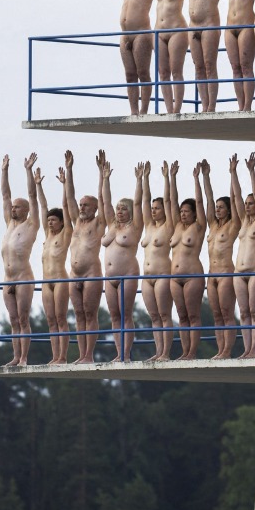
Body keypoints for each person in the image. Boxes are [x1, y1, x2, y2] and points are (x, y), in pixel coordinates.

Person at [63, 150, 109, 363]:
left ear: (94, 209)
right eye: (81, 205)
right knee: (78, 315)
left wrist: (102, 174)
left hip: (91, 272)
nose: (81, 208)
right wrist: (69, 170)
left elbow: (102, 198)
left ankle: (89, 355)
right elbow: (69, 198)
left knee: (90, 314)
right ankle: (81, 354)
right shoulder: (76, 222)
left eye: (86, 205)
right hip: (74, 274)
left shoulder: (98, 222)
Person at [0, 153, 40, 367]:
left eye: (17, 207)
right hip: (8, 278)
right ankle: (15, 356)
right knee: (13, 320)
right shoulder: (9, 224)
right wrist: (4, 170)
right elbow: (5, 195)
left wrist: (28, 171)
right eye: (13, 207)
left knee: (23, 319)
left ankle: (24, 357)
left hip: (23, 276)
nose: (13, 209)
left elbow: (33, 196)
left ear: (25, 211)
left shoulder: (31, 224)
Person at [100, 157, 143, 361]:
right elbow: (105, 202)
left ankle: (126, 353)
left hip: (127, 273)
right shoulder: (111, 225)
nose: (119, 211)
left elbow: (138, 202)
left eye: (123, 208)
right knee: (114, 316)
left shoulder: (135, 227)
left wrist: (139, 181)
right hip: (109, 277)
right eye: (118, 209)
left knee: (125, 315)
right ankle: (119, 353)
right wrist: (105, 178)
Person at [201, 158, 241, 358]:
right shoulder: (213, 225)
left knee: (226, 313)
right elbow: (208, 200)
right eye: (217, 207)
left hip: (226, 272)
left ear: (228, 209)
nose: (217, 209)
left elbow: (235, 200)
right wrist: (205, 176)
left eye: (221, 207)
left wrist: (232, 173)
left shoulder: (233, 225)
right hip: (211, 274)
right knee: (216, 315)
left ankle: (227, 350)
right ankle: (220, 349)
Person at [168, 164, 208, 359]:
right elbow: (171, 201)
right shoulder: (176, 226)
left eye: (186, 211)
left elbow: (200, 202)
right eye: (182, 211)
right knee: (182, 317)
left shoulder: (199, 226)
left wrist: (197, 179)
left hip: (192, 275)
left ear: (193, 213)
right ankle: (185, 351)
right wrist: (171, 177)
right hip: (174, 278)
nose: (183, 214)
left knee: (193, 316)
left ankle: (192, 352)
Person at [138, 160, 176, 361]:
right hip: (147, 277)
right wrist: (144, 179)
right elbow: (143, 202)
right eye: (153, 208)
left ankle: (166, 353)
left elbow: (170, 201)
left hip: (162, 274)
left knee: (164, 315)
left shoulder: (168, 225)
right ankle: (158, 351)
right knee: (153, 317)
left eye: (157, 208)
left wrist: (167, 178)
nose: (153, 210)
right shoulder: (149, 226)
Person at [230, 153, 255, 357]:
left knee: (254, 311)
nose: (247, 205)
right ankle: (246, 348)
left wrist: (253, 171)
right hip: (238, 271)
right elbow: (236, 197)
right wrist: (233, 172)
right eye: (247, 203)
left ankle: (254, 349)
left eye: (251, 203)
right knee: (243, 312)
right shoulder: (244, 221)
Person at [38, 158, 74, 365]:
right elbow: (43, 207)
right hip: (46, 281)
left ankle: (63, 356)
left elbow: (66, 207)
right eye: (49, 220)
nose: (50, 222)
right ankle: (55, 356)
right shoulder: (48, 235)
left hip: (60, 279)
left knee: (61, 318)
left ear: (60, 222)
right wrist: (38, 185)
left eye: (54, 220)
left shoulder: (65, 233)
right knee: (50, 320)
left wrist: (64, 183)